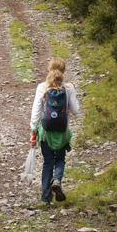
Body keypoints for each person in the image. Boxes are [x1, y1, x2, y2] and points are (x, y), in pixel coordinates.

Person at [29, 57, 80, 204]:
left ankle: (45, 198)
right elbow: (76, 111)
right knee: (60, 159)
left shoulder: (42, 87)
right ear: (64, 71)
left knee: (47, 162)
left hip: (45, 132)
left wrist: (33, 131)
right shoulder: (68, 88)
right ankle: (57, 179)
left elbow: (36, 112)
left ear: (48, 69)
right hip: (62, 131)